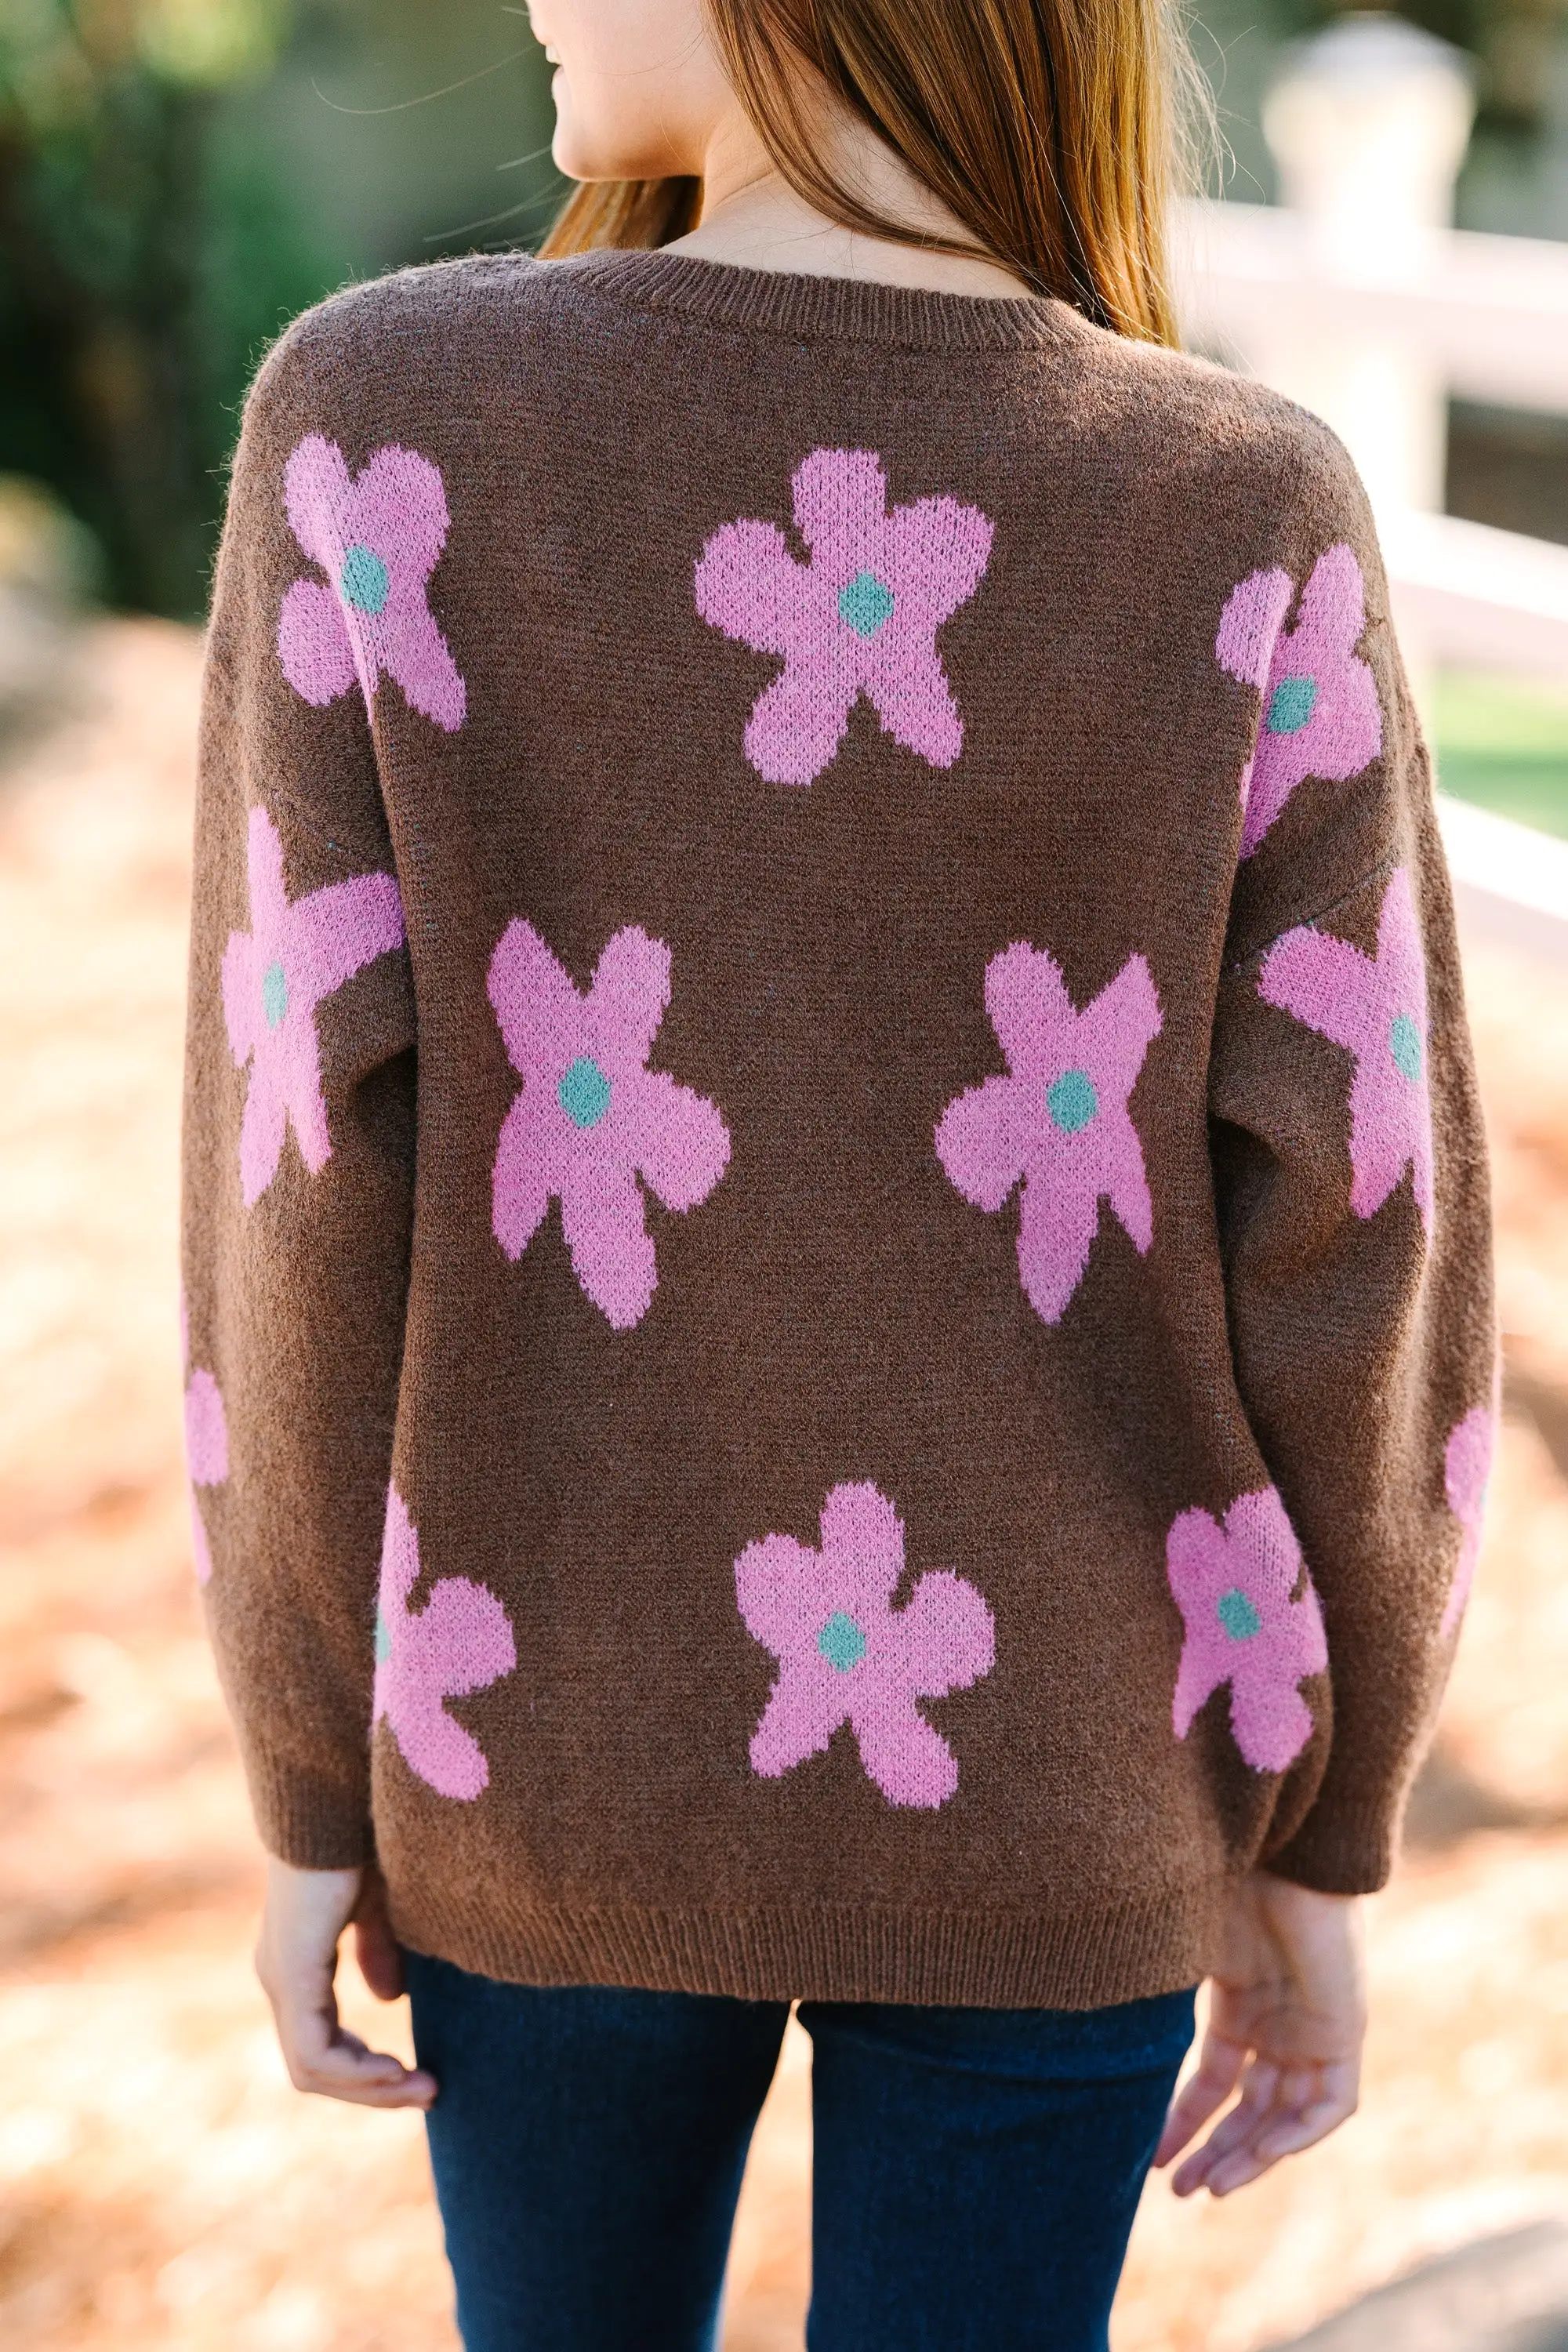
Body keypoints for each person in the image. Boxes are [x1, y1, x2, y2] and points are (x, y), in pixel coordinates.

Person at [181, 0, 1497, 2344]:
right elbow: (1357, 1231)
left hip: (540, 1758)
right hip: (1066, 1785)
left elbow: (305, 1178)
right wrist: (1321, 1811)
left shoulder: (386, 435)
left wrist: (311, 1758)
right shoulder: (1237, 502)